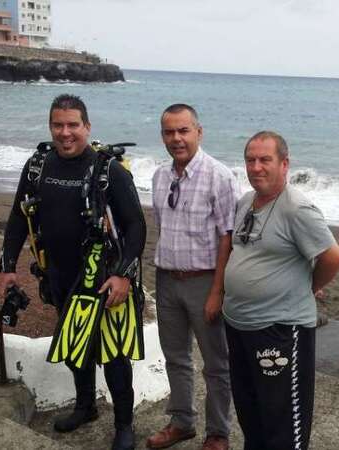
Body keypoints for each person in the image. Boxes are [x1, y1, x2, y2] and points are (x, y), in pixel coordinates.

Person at [0, 94, 146, 450]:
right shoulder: (38, 165)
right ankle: (85, 407)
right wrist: (7, 265)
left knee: (114, 355)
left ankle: (124, 426)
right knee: (74, 344)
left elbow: (137, 225)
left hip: (105, 277)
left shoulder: (108, 171)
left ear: (87, 127)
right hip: (59, 275)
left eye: (73, 125)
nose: (65, 133)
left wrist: (123, 275)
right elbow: (18, 216)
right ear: (50, 127)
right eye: (58, 125)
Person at [223, 131, 339, 450]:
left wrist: (309, 287)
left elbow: (333, 258)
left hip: (279, 329)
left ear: (284, 164)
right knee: (251, 412)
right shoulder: (246, 202)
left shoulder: (297, 209)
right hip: (240, 325)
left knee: (283, 423)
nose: (256, 167)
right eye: (250, 160)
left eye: (265, 160)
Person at [147, 104, 238, 450]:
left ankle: (218, 432)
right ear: (162, 136)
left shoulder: (219, 176)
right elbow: (163, 226)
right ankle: (182, 422)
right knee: (175, 357)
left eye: (183, 130)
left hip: (205, 281)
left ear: (199, 132)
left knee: (216, 363)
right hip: (167, 279)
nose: (177, 138)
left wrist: (217, 291)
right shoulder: (159, 176)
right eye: (169, 132)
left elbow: (228, 237)